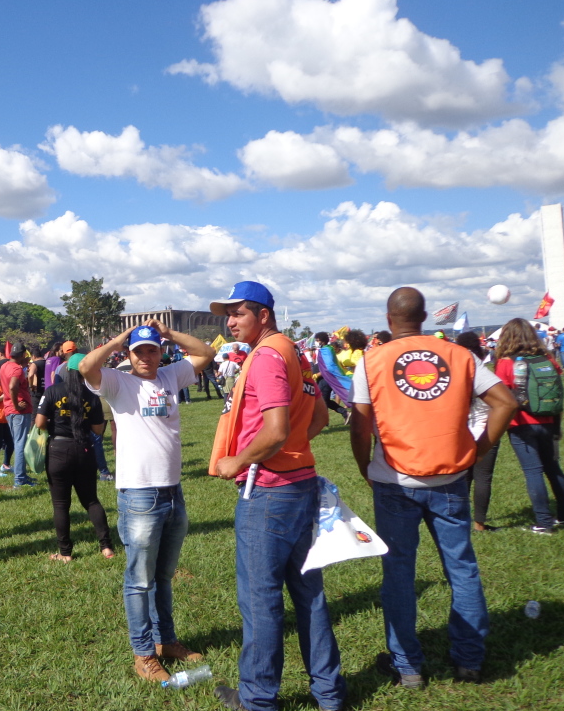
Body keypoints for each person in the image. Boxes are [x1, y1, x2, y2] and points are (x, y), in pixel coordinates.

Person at [350, 287, 517, 688]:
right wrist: (476, 450)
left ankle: (408, 667)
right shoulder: (460, 355)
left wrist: (364, 466)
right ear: (424, 318)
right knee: (462, 569)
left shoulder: (372, 360)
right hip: (450, 479)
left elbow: (360, 425)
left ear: (389, 320)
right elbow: (506, 402)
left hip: (394, 480)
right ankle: (469, 661)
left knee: (399, 574)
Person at [208, 281, 346, 711]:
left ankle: (257, 698)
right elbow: (319, 417)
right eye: (228, 315)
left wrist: (238, 461)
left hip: (268, 490)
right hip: (301, 485)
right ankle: (329, 694)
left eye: (239, 313)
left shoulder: (266, 356)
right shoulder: (291, 351)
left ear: (263, 315)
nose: (230, 322)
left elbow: (276, 429)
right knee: (310, 595)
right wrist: (292, 451)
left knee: (261, 601)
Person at [79, 320, 213, 683]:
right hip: (139, 494)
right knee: (139, 581)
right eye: (139, 351)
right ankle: (143, 654)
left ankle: (165, 641)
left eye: (152, 350)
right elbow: (86, 366)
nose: (146, 357)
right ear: (129, 354)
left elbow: (205, 353)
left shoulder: (170, 376)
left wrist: (168, 333)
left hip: (172, 490)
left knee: (163, 576)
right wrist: (120, 340)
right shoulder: (118, 382)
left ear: (160, 352)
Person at [493, 318, 564, 533]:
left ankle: (544, 522)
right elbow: (556, 388)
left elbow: (502, 397)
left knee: (533, 471)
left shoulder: (505, 363)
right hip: (549, 421)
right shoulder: (547, 359)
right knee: (553, 469)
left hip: (521, 424)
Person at [35, 352, 114, 562]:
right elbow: (98, 429)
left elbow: (39, 423)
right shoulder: (92, 396)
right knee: (91, 501)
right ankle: (106, 547)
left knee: (61, 504)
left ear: (67, 371)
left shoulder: (53, 391)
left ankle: (65, 552)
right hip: (84, 449)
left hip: (58, 449)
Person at [455, 332, 501, 532]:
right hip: (485, 431)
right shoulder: (486, 376)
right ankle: (479, 523)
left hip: (463, 432)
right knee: (483, 477)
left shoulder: (455, 376)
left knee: (462, 478)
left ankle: (458, 518)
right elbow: (503, 403)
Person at [1, 345, 36, 488]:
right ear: (22, 354)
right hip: (19, 411)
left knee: (18, 442)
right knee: (20, 443)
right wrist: (16, 405)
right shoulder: (17, 369)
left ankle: (21, 475)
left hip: (9, 409)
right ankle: (20, 479)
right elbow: (12, 386)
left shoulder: (5, 366)